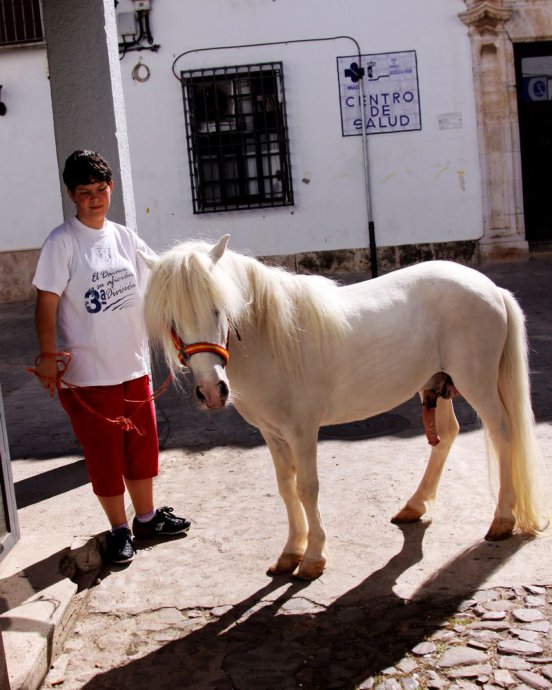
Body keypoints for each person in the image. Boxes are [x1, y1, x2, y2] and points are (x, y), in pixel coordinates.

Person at [32, 150, 190, 565]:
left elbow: (155, 288)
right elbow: (46, 302)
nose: (95, 199)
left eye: (101, 190)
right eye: (85, 193)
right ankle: (119, 530)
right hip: (89, 373)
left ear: (111, 189)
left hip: (133, 366)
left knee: (142, 450)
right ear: (71, 195)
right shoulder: (61, 242)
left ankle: (147, 518)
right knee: (105, 457)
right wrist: (48, 356)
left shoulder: (124, 237)